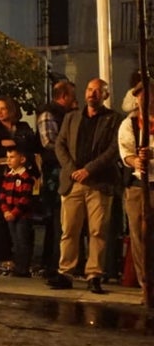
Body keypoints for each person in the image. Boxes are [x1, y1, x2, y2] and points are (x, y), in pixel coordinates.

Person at [50, 78, 121, 293]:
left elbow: (113, 149)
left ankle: (94, 274)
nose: (93, 94)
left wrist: (89, 169)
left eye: (98, 91)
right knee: (69, 229)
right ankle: (66, 272)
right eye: (90, 89)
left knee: (97, 230)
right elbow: (60, 144)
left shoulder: (114, 119)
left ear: (105, 95)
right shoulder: (71, 118)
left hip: (99, 182)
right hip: (73, 183)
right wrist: (72, 169)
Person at [0, 95, 38, 265]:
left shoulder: (23, 126)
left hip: (22, 176)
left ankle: (23, 256)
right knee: (2, 213)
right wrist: (18, 143)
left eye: (3, 108)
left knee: (22, 214)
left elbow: (31, 144)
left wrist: (12, 142)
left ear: (11, 109)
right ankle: (4, 254)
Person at [36, 80, 77, 274]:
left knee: (63, 219)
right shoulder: (49, 114)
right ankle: (52, 261)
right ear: (64, 96)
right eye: (72, 96)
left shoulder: (67, 114)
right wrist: (69, 153)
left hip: (63, 168)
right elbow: (48, 143)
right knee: (54, 217)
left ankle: (56, 260)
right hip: (54, 170)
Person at [118, 86, 153, 295]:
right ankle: (145, 283)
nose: (145, 100)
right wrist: (136, 160)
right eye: (141, 97)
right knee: (139, 236)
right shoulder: (129, 124)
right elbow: (126, 153)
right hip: (138, 186)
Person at [0, 145, 37, 278]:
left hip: (22, 216)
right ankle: (18, 266)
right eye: (7, 157)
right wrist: (5, 211)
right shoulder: (7, 176)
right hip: (10, 215)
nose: (9, 160)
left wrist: (14, 213)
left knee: (23, 241)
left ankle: (23, 268)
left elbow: (25, 198)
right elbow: (2, 196)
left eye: (12, 157)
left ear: (22, 159)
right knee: (15, 241)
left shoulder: (26, 177)